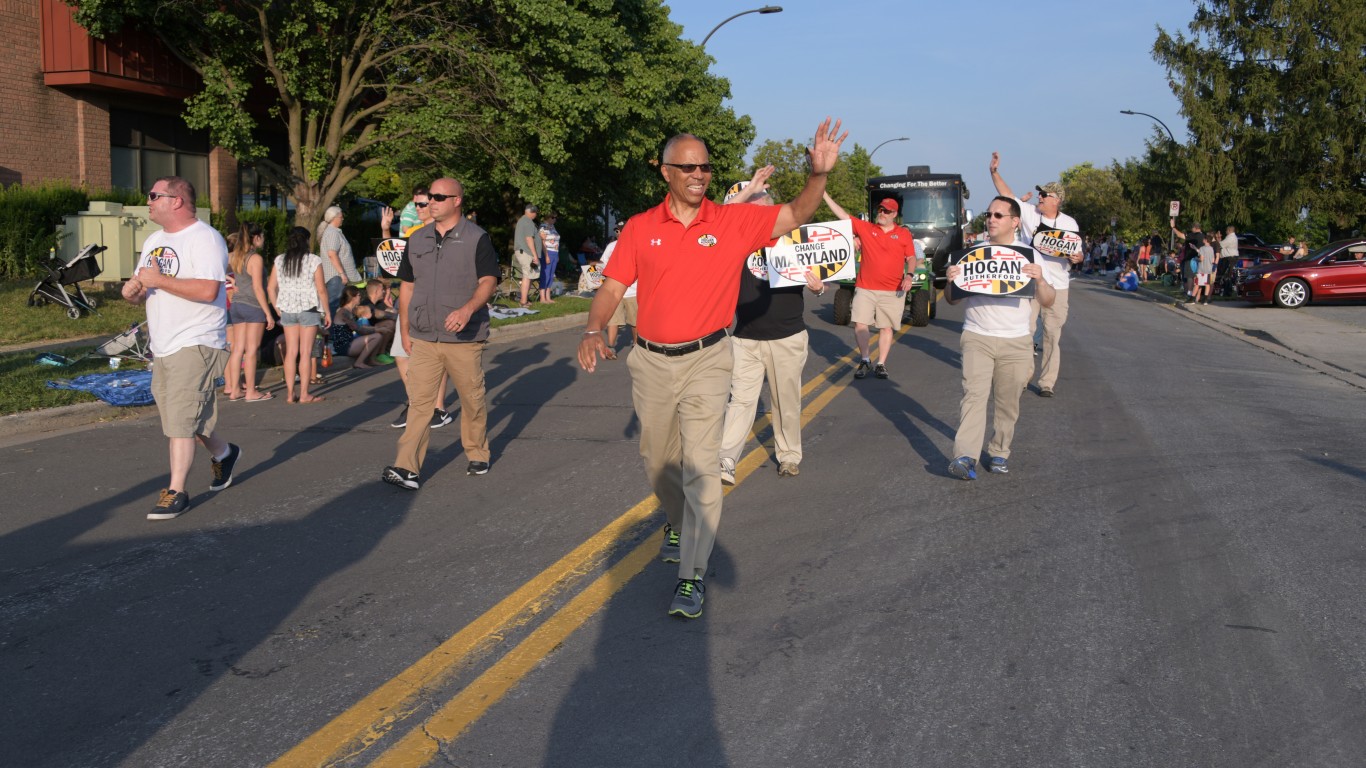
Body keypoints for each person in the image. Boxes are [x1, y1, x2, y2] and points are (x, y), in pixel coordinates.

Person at [577, 118, 847, 619]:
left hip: (709, 358)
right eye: (689, 167)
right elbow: (612, 288)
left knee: (702, 467)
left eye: (705, 166)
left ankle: (692, 575)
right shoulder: (640, 228)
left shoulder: (731, 222)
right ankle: (677, 521)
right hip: (652, 361)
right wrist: (595, 328)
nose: (699, 174)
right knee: (659, 462)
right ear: (666, 173)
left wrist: (818, 175)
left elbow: (794, 214)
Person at [120, 176, 241, 520]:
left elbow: (207, 291)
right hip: (163, 343)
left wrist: (157, 280)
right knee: (184, 414)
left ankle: (176, 491)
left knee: (181, 420)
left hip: (198, 339)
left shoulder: (205, 238)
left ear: (176, 200)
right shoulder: (154, 240)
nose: (148, 201)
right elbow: (145, 288)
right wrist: (134, 292)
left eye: (154, 195)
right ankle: (224, 453)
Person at [382, 177, 498, 490]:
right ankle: (406, 467)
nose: (430, 202)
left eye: (437, 197)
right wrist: (404, 328)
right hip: (423, 336)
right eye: (427, 198)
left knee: (471, 399)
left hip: (464, 337)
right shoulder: (416, 239)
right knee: (419, 402)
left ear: (456, 200)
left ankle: (477, 452)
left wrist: (467, 309)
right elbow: (406, 286)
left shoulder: (477, 238)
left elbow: (489, 281)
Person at [719, 168, 827, 484]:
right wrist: (744, 195)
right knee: (740, 402)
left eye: (761, 199)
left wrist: (818, 287)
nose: (758, 205)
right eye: (751, 201)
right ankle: (725, 460)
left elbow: (820, 277)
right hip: (746, 337)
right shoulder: (732, 241)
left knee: (786, 403)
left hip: (788, 334)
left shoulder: (791, 239)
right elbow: (718, 222)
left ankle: (789, 456)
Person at [945, 196, 1056, 481]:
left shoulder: (1029, 256)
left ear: (1014, 222)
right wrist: (951, 282)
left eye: (998, 215)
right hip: (977, 336)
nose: (991, 219)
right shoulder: (972, 254)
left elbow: (1048, 300)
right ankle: (965, 456)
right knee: (973, 397)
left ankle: (999, 451)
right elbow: (952, 301)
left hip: (1016, 341)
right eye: (989, 214)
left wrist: (1041, 280)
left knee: (1008, 403)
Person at [989, 152, 1082, 398]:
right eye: (1039, 194)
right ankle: (1023, 376)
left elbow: (1077, 252)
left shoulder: (1070, 224)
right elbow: (1007, 196)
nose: (1039, 197)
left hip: (1058, 285)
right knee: (1026, 331)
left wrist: (1077, 257)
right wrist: (994, 172)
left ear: (1057, 200)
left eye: (1044, 195)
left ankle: (1047, 382)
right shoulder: (1030, 214)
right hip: (1030, 282)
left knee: (1052, 334)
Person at [820, 192, 916, 380]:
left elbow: (911, 257)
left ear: (894, 214)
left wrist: (909, 276)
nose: (882, 213)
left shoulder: (903, 234)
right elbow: (843, 216)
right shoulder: (866, 228)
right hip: (866, 287)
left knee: (886, 328)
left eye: (886, 211)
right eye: (880, 209)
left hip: (892, 289)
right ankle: (865, 359)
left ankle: (881, 363)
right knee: (860, 324)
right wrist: (824, 195)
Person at [382, 189, 454, 430]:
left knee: (437, 355)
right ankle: (416, 401)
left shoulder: (444, 232)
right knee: (402, 354)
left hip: (434, 303)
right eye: (415, 205)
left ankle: (438, 407)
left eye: (422, 204)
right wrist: (385, 229)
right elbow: (394, 260)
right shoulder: (414, 234)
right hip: (411, 300)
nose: (418, 209)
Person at [268, 226, 332, 403]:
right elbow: (321, 289)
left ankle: (290, 394)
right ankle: (304, 394)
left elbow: (270, 287)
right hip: (308, 309)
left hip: (288, 309)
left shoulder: (280, 260)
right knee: (305, 352)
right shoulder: (313, 260)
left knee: (291, 352)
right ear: (306, 241)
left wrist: (277, 307)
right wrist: (327, 311)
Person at [223, 222, 274, 402]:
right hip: (253, 306)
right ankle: (251, 391)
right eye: (262, 236)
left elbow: (214, 268)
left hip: (237, 306)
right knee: (251, 350)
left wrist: (230, 280)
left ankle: (235, 390)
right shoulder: (255, 259)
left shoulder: (235, 256)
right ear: (256, 237)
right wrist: (268, 313)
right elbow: (258, 288)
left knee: (237, 349)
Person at [597, 221, 636, 359]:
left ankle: (636, 346)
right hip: (614, 291)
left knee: (635, 321)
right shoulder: (611, 246)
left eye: (621, 230)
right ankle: (611, 347)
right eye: (617, 231)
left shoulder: (636, 245)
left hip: (633, 290)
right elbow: (603, 263)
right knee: (613, 320)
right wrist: (595, 267)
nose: (618, 233)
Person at [318, 205, 362, 313]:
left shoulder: (334, 232)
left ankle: (338, 327)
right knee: (334, 306)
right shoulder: (332, 233)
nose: (342, 219)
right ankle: (333, 328)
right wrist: (342, 273)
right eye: (341, 217)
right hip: (335, 277)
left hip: (336, 277)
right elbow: (332, 254)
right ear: (334, 218)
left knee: (338, 305)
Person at [513, 204, 543, 308]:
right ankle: (523, 301)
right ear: (533, 212)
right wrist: (535, 255)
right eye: (536, 213)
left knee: (529, 276)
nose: (536, 215)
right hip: (526, 252)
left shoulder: (523, 220)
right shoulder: (528, 222)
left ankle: (525, 299)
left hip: (524, 251)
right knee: (527, 275)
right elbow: (529, 239)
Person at [537, 213, 561, 304]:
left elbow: (556, 242)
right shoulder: (543, 227)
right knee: (545, 274)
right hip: (547, 252)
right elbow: (543, 243)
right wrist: (546, 255)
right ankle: (542, 298)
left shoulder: (553, 227)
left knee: (551, 275)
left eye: (555, 217)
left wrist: (557, 254)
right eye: (552, 217)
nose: (554, 219)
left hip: (555, 252)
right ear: (547, 217)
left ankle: (548, 296)